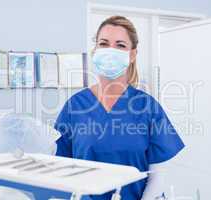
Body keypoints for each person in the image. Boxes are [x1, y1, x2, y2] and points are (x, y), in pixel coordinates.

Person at [54, 15, 185, 200]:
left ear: (132, 55)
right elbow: (60, 168)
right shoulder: (75, 106)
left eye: (120, 45)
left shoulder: (148, 108)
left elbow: (158, 175)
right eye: (104, 43)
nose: (110, 50)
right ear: (95, 51)